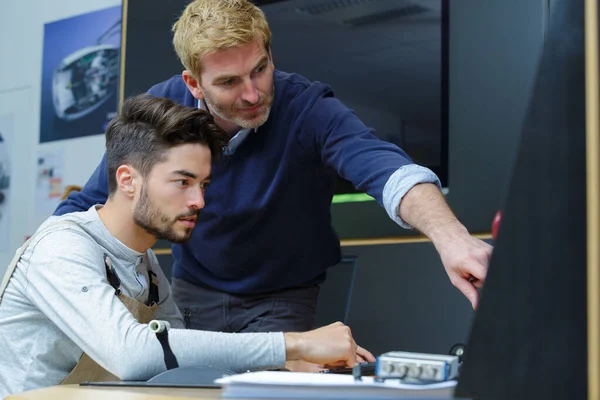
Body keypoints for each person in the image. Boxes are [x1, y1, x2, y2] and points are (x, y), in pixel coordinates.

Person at [56, 0, 493, 333]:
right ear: (194, 84)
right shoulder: (161, 111)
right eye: (228, 82)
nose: (252, 94)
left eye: (260, 69)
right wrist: (41, 270)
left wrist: (452, 238)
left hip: (283, 296)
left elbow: (387, 170)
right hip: (191, 291)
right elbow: (93, 203)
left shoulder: (306, 107)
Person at [0, 95, 373, 398]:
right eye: (183, 182)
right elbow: (133, 354)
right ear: (128, 180)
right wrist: (294, 344)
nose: (199, 201)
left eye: (204, 185)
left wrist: (282, 366)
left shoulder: (144, 264)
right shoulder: (62, 247)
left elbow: (176, 359)